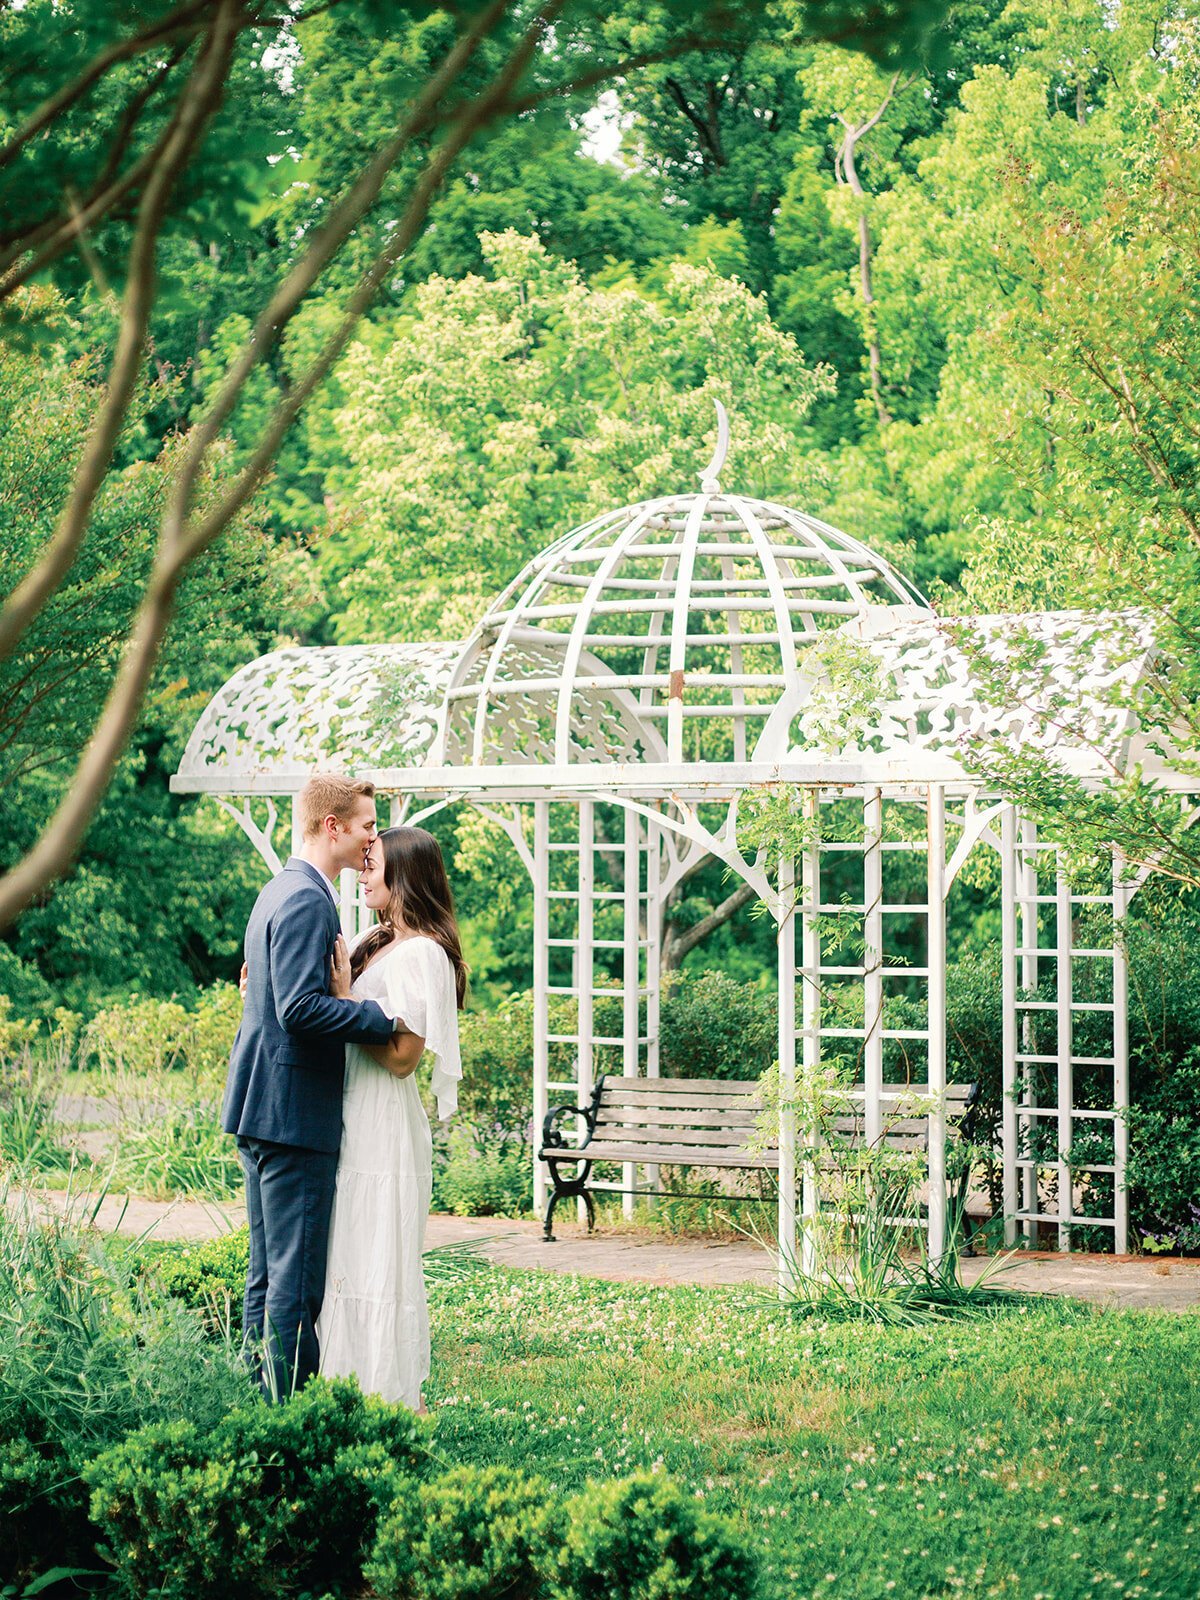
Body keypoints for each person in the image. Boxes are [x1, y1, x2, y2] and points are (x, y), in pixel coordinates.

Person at [224, 774, 413, 1401]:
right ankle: (290, 1423)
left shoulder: (277, 890)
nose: (370, 840)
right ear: (332, 826)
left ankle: (259, 1407)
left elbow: (267, 992)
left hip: (261, 1108)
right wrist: (381, 1018)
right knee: (296, 1284)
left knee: (266, 1278)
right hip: (294, 1116)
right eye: (364, 825)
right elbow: (300, 1010)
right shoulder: (309, 900)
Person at [315, 825, 465, 1410]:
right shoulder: (380, 940)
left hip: (383, 1122)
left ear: (404, 871)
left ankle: (383, 1398)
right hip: (352, 1111)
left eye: (372, 861)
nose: (361, 868)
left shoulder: (423, 952)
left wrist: (349, 1001)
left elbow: (404, 1059)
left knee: (377, 1258)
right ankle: (343, 1389)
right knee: (348, 1254)